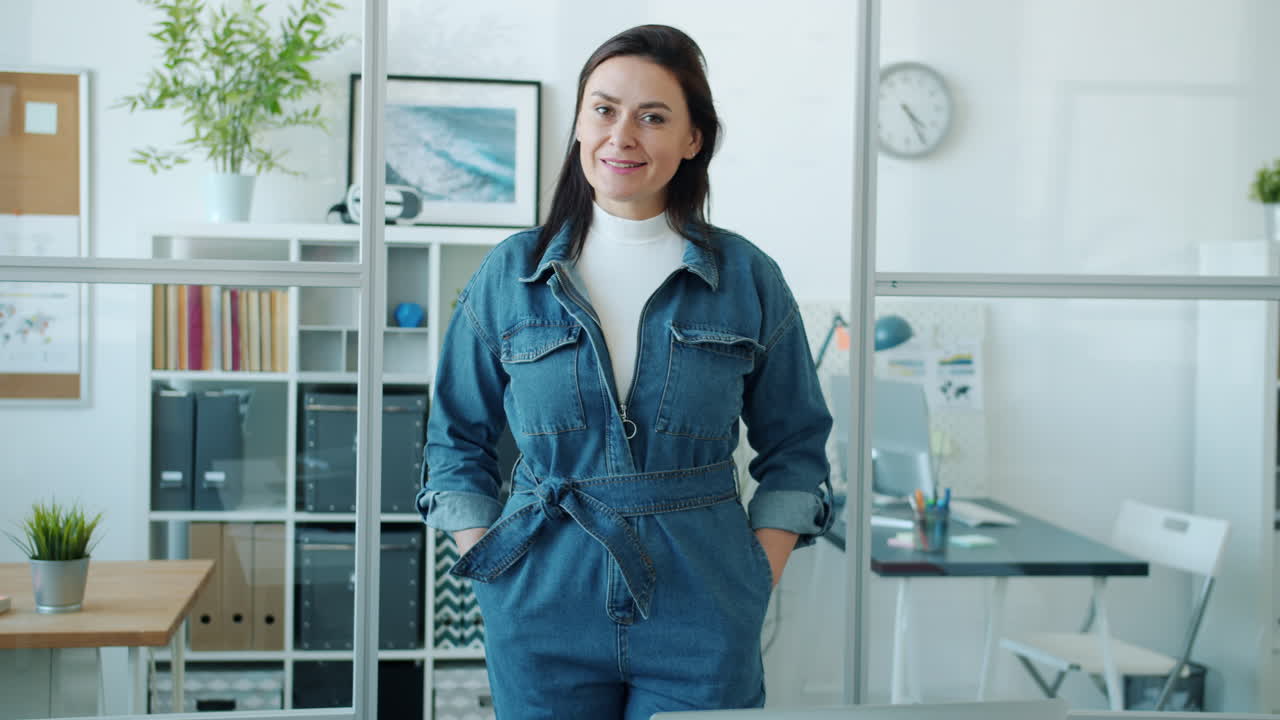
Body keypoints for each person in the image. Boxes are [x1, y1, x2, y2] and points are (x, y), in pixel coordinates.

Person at [417, 24, 833, 719]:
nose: (623, 135)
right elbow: (453, 443)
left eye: (654, 116)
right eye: (604, 109)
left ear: (693, 139)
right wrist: (493, 570)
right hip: (539, 602)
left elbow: (797, 450)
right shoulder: (509, 275)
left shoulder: (748, 279)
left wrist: (758, 574)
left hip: (704, 606)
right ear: (580, 122)